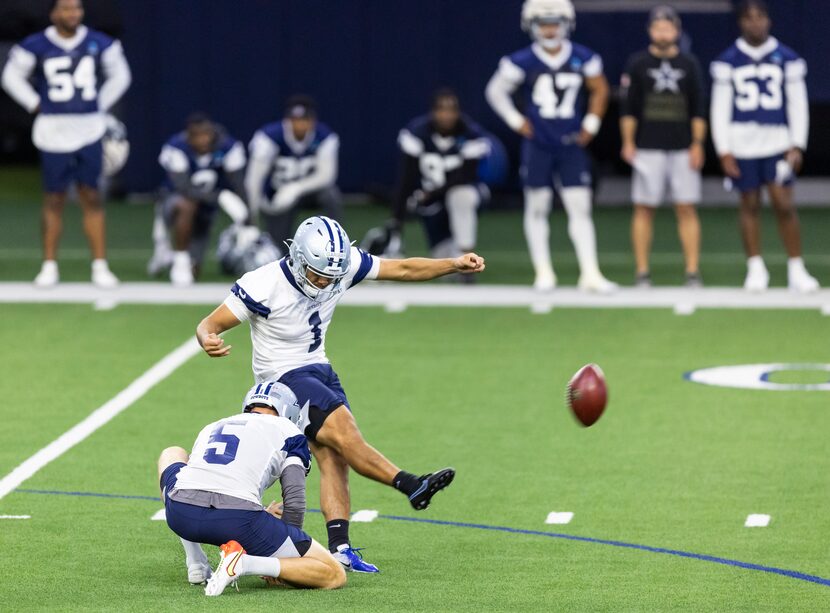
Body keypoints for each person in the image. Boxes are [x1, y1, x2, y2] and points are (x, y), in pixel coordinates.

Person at [196, 216, 485, 572]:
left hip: (320, 367)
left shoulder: (341, 264)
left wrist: (452, 264)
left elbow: (405, 269)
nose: (326, 282)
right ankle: (412, 484)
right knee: (347, 434)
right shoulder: (264, 283)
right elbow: (211, 322)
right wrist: (206, 336)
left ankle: (341, 549)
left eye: (332, 276)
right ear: (299, 259)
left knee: (334, 458)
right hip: (284, 378)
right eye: (318, 274)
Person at [157, 381, 346, 595]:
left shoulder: (215, 424)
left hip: (181, 514)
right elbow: (294, 501)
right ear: (288, 411)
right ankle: (244, 564)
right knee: (334, 574)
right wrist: (282, 562)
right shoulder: (289, 430)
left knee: (171, 453)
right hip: (237, 519)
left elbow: (208, 479)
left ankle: (196, 562)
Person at [485, 0, 615, 293]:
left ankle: (590, 272)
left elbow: (600, 89)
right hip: (539, 143)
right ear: (530, 25)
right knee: (537, 206)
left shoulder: (583, 57)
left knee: (579, 206)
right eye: (543, 23)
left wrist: (591, 124)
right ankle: (543, 272)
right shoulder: (522, 60)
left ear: (566, 23)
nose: (549, 29)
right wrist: (515, 120)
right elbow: (495, 91)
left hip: (570, 143)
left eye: (554, 22)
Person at [1, 0, 130, 288]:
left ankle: (99, 265)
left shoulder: (99, 42)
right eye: (67, 9)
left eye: (77, 9)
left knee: (92, 196)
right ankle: (49, 265)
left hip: (89, 127)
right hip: (53, 128)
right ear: (54, 13)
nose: (73, 14)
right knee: (53, 197)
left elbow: (121, 75)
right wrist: (33, 103)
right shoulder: (35, 44)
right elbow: (11, 76)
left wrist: (100, 104)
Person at [710, 0, 819, 292]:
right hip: (742, 141)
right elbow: (719, 108)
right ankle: (755, 267)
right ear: (740, 22)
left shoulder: (787, 57)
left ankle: (797, 267)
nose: (755, 23)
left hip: (777, 141)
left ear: (769, 21)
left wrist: (798, 143)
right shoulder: (728, 61)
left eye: (760, 17)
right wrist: (724, 148)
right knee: (749, 203)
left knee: (784, 204)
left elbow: (798, 104)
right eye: (749, 18)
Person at [620, 5, 706, 288]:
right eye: (658, 27)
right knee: (644, 208)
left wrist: (697, 144)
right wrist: (628, 142)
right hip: (648, 148)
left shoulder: (689, 64)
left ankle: (692, 271)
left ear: (677, 31)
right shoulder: (637, 63)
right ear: (650, 31)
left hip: (682, 147)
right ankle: (642, 271)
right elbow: (629, 108)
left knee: (686, 208)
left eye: (668, 28)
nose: (663, 33)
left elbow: (698, 109)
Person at [389, 89, 490, 266]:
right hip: (432, 206)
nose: (446, 115)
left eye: (451, 110)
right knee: (443, 264)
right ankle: (457, 255)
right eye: (442, 110)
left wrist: (430, 194)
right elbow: (407, 179)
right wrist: (397, 221)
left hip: (467, 195)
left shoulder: (471, 134)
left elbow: (465, 176)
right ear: (433, 112)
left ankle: (468, 253)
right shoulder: (418, 133)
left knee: (460, 195)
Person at [149, 113, 249, 286]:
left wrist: (249, 222)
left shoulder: (228, 147)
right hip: (173, 206)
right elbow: (184, 188)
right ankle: (178, 259)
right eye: (197, 136)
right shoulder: (176, 147)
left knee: (194, 272)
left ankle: (170, 255)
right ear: (188, 136)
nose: (202, 140)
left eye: (206, 134)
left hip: (205, 211)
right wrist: (219, 196)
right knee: (186, 204)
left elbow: (239, 185)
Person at [245, 95, 342, 248]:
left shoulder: (325, 137)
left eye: (305, 120)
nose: (300, 125)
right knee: (278, 250)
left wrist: (296, 188)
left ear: (312, 120)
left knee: (331, 195)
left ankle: (335, 244)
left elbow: (327, 176)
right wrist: (251, 217)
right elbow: (254, 180)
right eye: (295, 120)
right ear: (287, 120)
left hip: (309, 192)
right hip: (276, 196)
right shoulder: (268, 137)